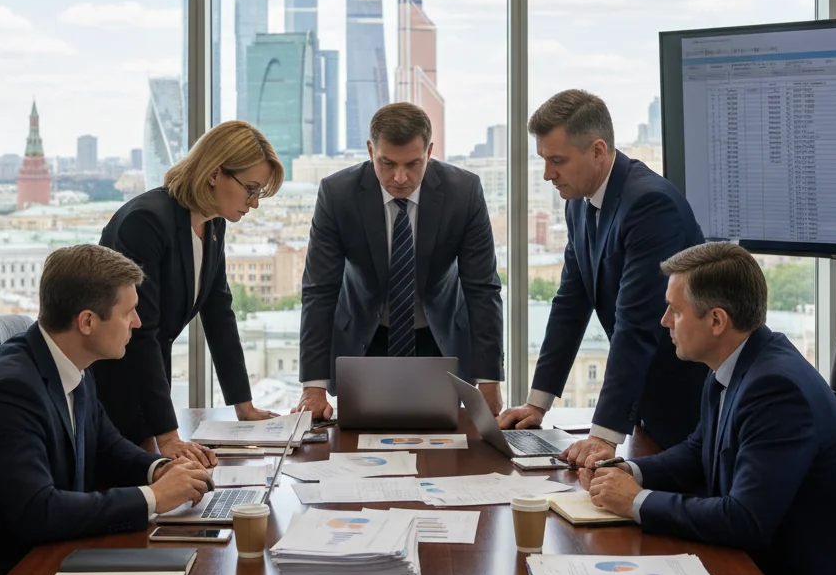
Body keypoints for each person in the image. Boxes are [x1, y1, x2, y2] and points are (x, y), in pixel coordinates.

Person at [583, 242, 836, 575]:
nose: (665, 320)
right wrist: (626, 471)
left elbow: (745, 520)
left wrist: (635, 501)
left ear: (716, 320)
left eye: (676, 311)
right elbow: (700, 450)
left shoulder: (776, 390)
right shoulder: (736, 364)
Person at [0, 245, 212, 575]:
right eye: (128, 312)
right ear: (87, 321)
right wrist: (154, 497)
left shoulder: (71, 364)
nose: (137, 322)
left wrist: (161, 469)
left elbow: (106, 446)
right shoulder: (8, 393)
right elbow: (39, 511)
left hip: (43, 561)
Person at [498, 90, 706, 466]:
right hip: (646, 402)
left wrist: (603, 435)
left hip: (685, 403)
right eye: (544, 160)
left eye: (557, 161)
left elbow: (636, 324)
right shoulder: (577, 202)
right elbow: (570, 304)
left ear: (597, 151)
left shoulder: (650, 204)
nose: (547, 174)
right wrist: (537, 403)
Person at [295, 102, 504, 421]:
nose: (400, 177)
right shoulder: (338, 194)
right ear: (370, 150)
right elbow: (319, 291)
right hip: (366, 337)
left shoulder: (464, 191)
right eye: (387, 163)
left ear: (430, 151)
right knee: (358, 450)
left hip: (441, 337)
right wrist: (313, 388)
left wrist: (488, 379)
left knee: (444, 453)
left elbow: (482, 289)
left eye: (413, 163)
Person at [93, 121, 284, 465]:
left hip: (148, 389)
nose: (254, 204)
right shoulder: (146, 222)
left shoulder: (212, 222)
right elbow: (141, 331)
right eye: (251, 189)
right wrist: (167, 436)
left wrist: (244, 406)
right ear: (215, 173)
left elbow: (218, 311)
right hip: (111, 392)